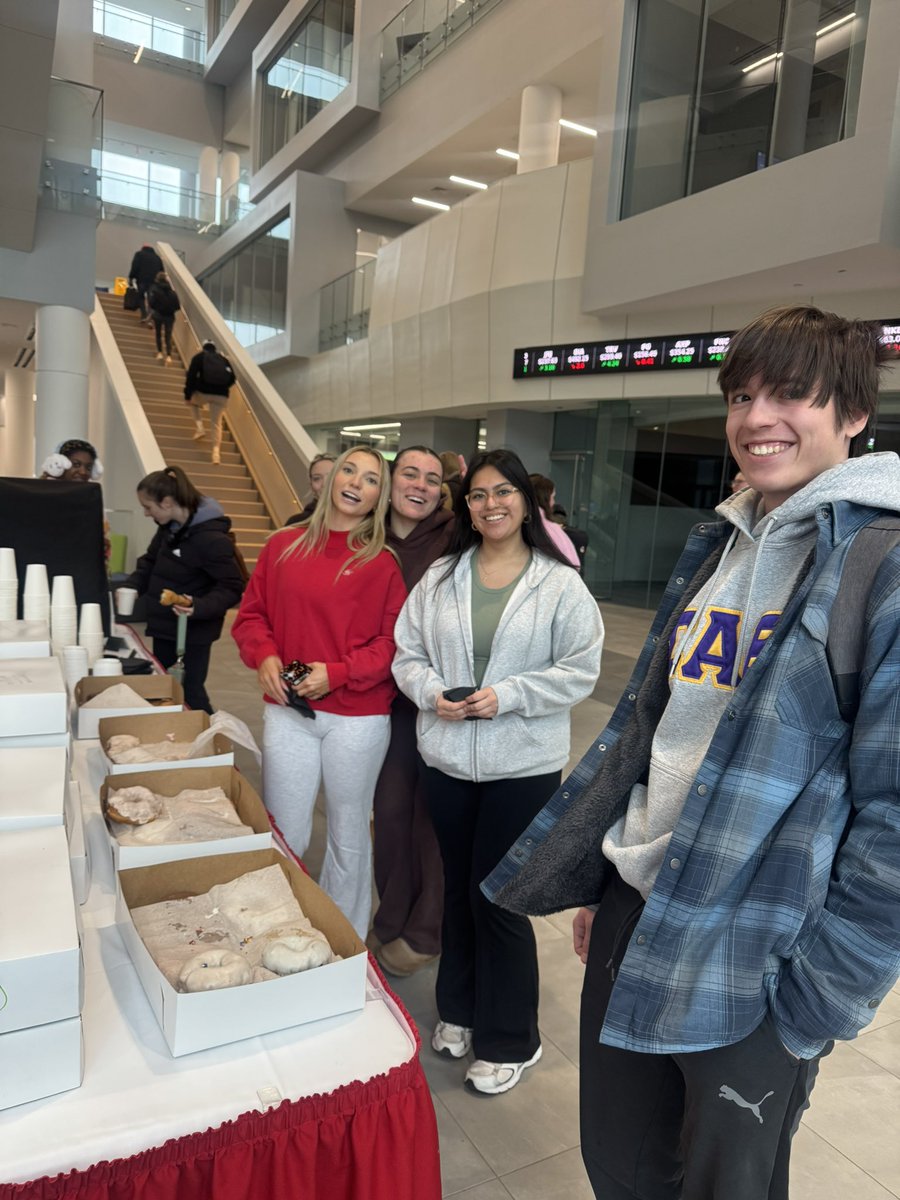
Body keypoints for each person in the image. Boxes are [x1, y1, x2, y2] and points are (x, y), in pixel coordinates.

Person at [483, 305, 900, 1197]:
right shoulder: (720, 539)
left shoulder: (880, 562)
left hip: (762, 947)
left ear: (854, 414)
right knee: (622, 1167)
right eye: (742, 395)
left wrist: (823, 996)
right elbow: (658, 734)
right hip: (643, 909)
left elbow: (895, 813)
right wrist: (612, 876)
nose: (758, 418)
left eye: (791, 394)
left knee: (724, 1186)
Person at [392, 449, 603, 1095]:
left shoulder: (559, 581)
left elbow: (581, 669)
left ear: (526, 503)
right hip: (449, 759)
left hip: (522, 766)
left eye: (503, 491)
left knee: (501, 898)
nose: (491, 504)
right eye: (479, 494)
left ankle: (513, 1037)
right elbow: (408, 653)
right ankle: (458, 1008)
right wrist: (432, 694)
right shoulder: (441, 577)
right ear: (467, 506)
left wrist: (507, 694)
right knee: (457, 887)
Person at [232, 446, 407, 939]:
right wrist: (264, 656)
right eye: (349, 470)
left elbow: (392, 645)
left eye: (371, 479)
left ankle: (343, 938)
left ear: (380, 497)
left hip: (358, 716)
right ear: (328, 479)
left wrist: (338, 672)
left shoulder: (382, 564)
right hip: (289, 712)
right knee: (284, 829)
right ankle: (277, 929)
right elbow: (251, 616)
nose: (356, 482)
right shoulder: (282, 546)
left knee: (349, 831)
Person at [371, 446, 455, 977]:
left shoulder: (456, 536)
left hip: (434, 700)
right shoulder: (366, 533)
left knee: (433, 818)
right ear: (390, 480)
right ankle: (393, 910)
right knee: (392, 813)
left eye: (432, 477)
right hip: (373, 700)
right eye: (410, 474)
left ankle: (429, 927)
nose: (420, 485)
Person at [121, 465, 244, 713]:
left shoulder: (211, 539)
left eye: (148, 507)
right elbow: (150, 560)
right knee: (167, 688)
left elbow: (233, 587)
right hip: (165, 626)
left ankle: (211, 740)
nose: (146, 513)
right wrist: (132, 585)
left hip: (193, 632)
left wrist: (197, 606)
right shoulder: (169, 528)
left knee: (190, 692)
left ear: (167, 503)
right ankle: (176, 737)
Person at [183, 341, 235, 465]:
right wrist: (222, 388)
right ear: (215, 349)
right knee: (216, 423)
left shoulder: (199, 357)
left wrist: (188, 395)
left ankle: (200, 428)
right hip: (222, 396)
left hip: (203, 393)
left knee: (193, 403)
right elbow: (233, 378)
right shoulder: (223, 359)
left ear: (203, 348)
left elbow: (190, 376)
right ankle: (216, 454)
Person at [529, 473, 581, 568]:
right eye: (552, 497)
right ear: (544, 498)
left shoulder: (520, 525)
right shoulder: (549, 529)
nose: (553, 502)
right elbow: (572, 564)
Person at [285, 452, 337, 525]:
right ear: (311, 486)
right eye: (317, 478)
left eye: (331, 476)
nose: (325, 484)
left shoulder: (356, 522)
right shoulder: (297, 523)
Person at [147, 272, 181, 365]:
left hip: (158, 315)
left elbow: (151, 303)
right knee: (168, 335)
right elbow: (178, 306)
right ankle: (169, 356)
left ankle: (160, 353)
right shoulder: (172, 292)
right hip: (170, 316)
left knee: (158, 333)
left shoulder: (155, 290)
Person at [128, 243, 163, 322]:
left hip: (141, 280)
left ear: (142, 248)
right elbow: (162, 271)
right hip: (154, 282)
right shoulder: (157, 258)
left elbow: (135, 266)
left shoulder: (139, 254)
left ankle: (144, 314)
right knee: (151, 299)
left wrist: (131, 277)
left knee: (141, 296)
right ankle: (150, 316)